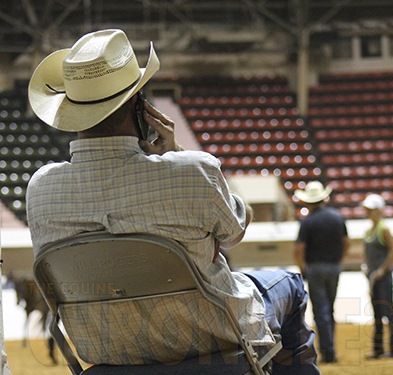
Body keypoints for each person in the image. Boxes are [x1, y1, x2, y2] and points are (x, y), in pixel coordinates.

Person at [26, 29, 320, 374]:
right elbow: (236, 230)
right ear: (141, 108)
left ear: (70, 113)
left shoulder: (40, 188)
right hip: (215, 340)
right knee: (290, 284)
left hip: (108, 351)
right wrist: (177, 154)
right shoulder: (193, 170)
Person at [293, 181, 349, 364]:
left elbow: (299, 250)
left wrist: (303, 269)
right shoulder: (337, 217)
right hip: (334, 267)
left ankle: (327, 351)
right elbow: (346, 243)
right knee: (330, 309)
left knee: (321, 310)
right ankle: (330, 349)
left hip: (316, 268)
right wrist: (338, 261)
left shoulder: (307, 221)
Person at [361, 194, 393, 359]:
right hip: (373, 277)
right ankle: (378, 349)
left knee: (388, 311)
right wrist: (367, 268)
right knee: (377, 312)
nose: (367, 212)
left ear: (378, 210)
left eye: (370, 209)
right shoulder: (368, 231)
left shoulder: (383, 229)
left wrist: (381, 270)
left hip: (382, 277)